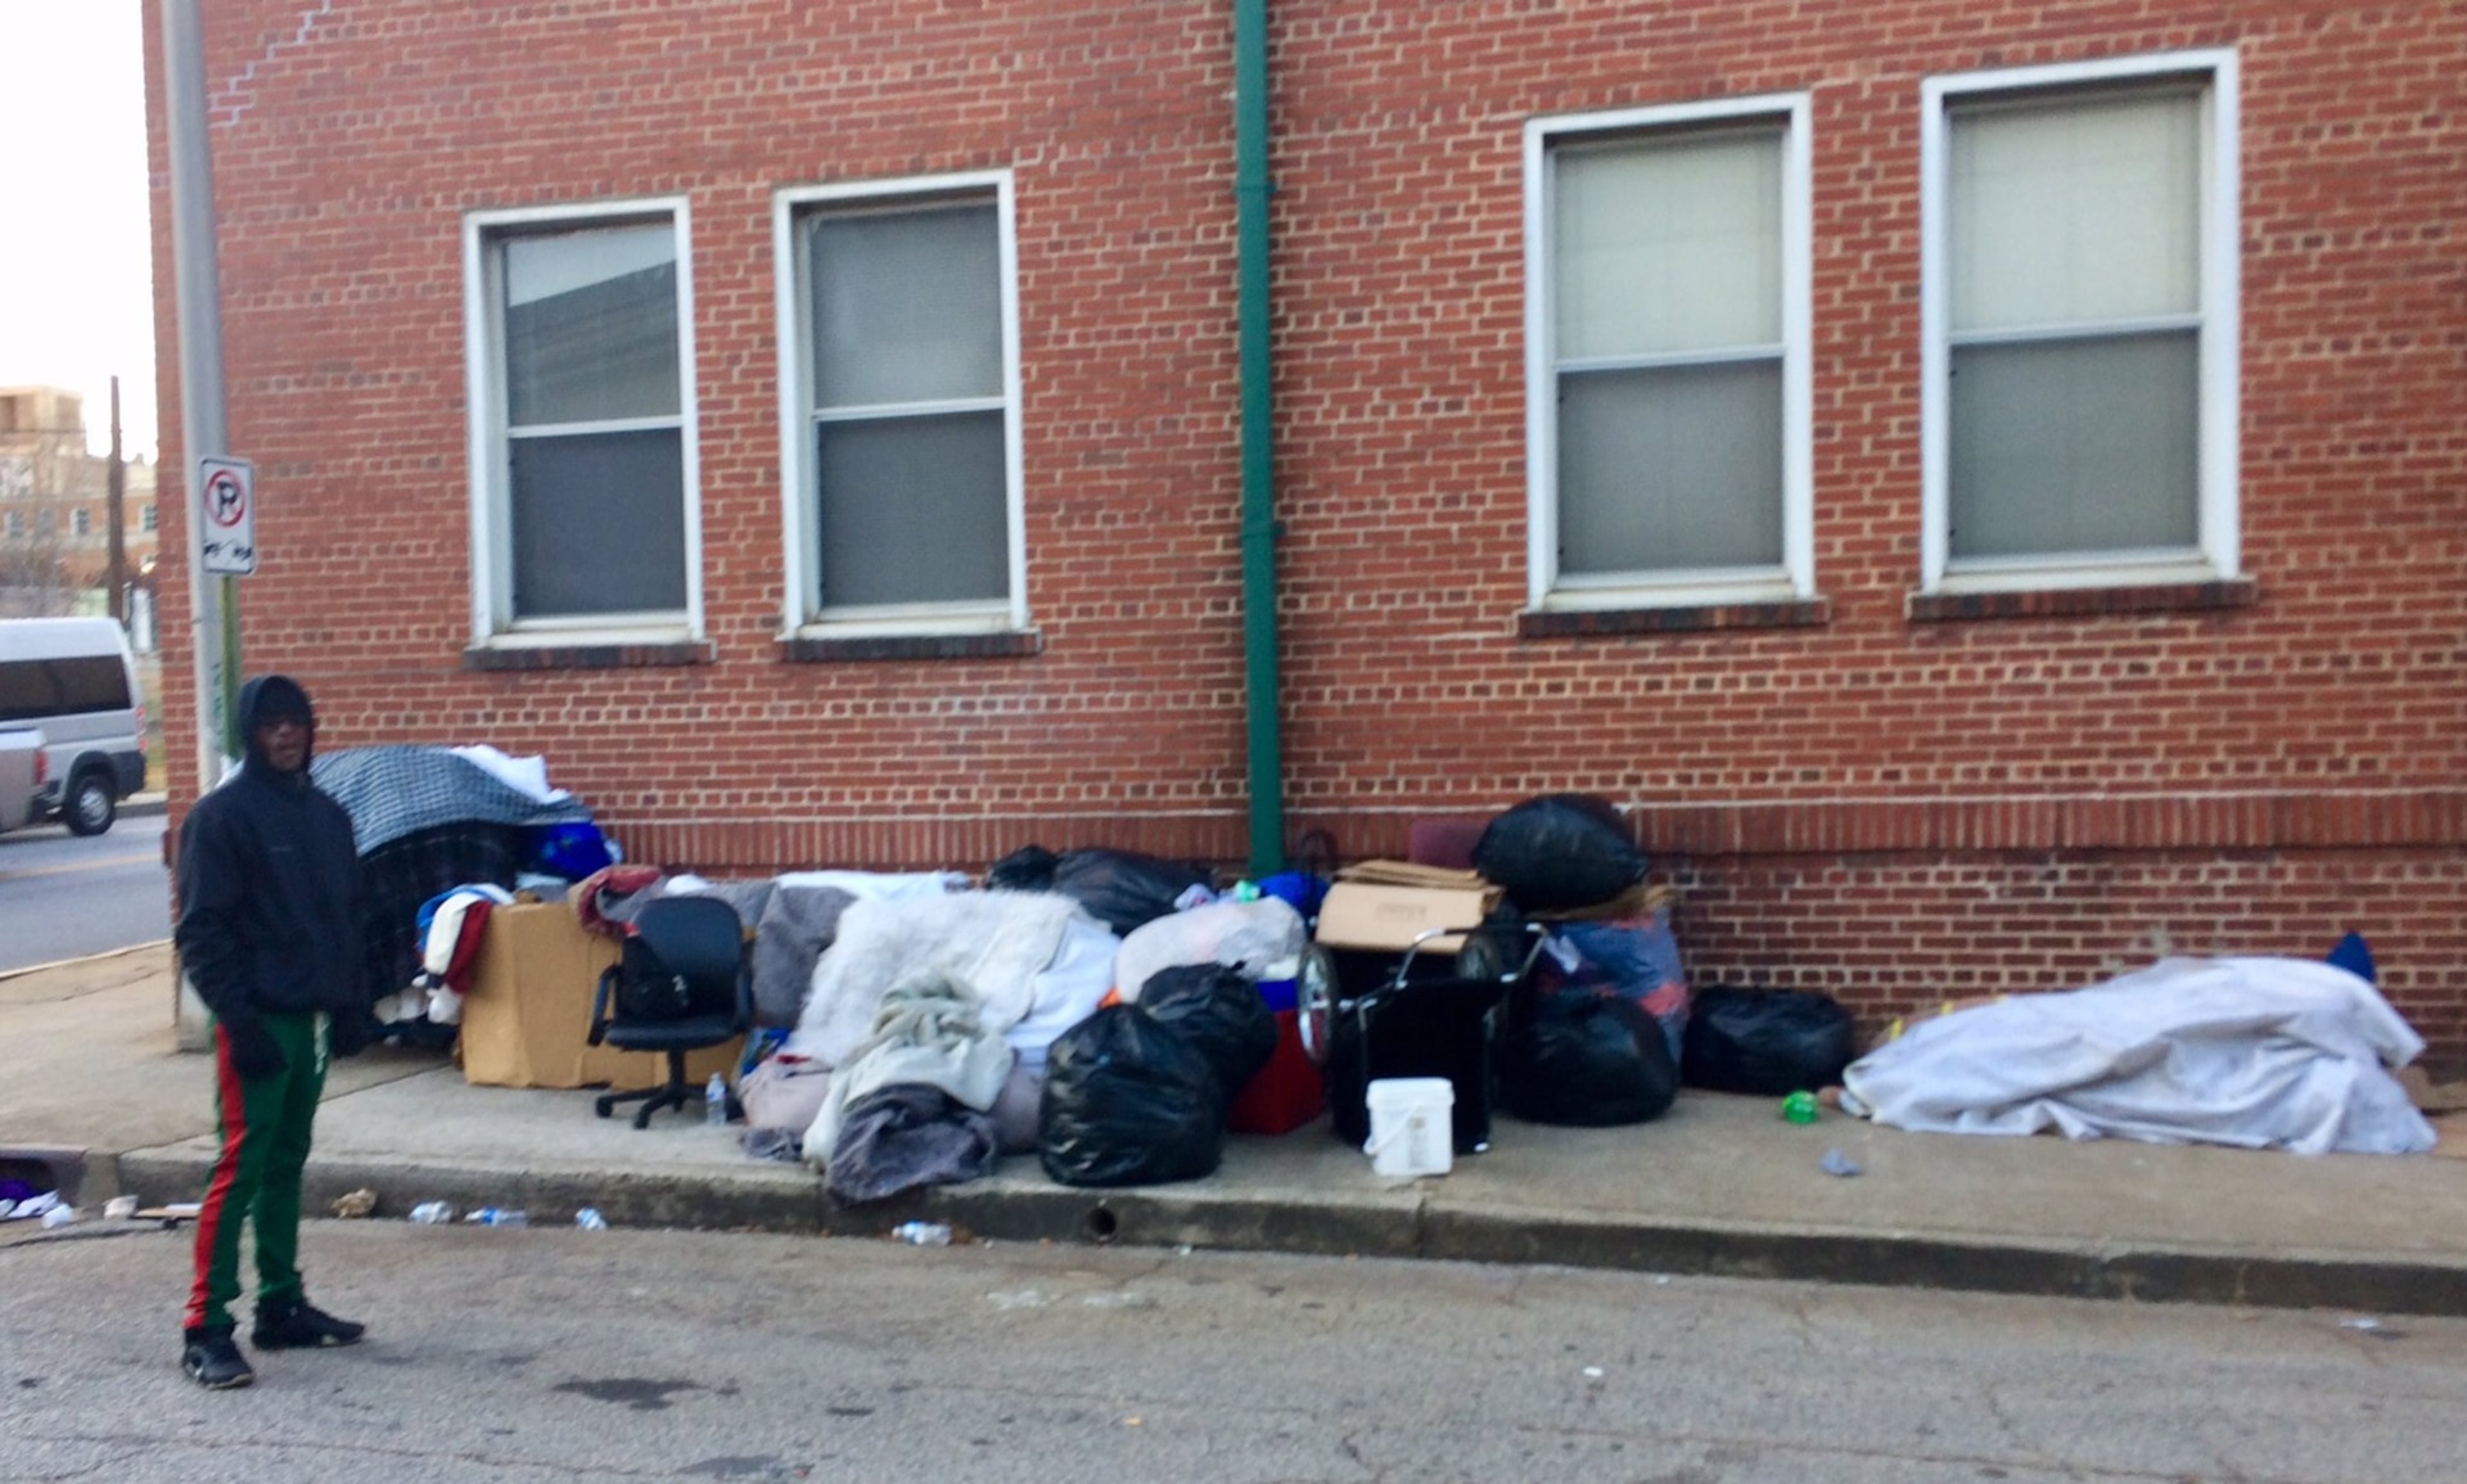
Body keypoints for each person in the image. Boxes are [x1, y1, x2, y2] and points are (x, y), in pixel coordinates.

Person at [173, 675, 371, 1390]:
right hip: (255, 1025)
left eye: (297, 723)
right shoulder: (221, 820)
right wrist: (238, 1019)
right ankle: (205, 1326)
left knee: (288, 1163)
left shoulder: (327, 816)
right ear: (252, 735)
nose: (287, 734)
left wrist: (350, 1002)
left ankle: (281, 1304)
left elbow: (347, 913)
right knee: (239, 1168)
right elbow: (201, 932)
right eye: (271, 724)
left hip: (310, 1018)